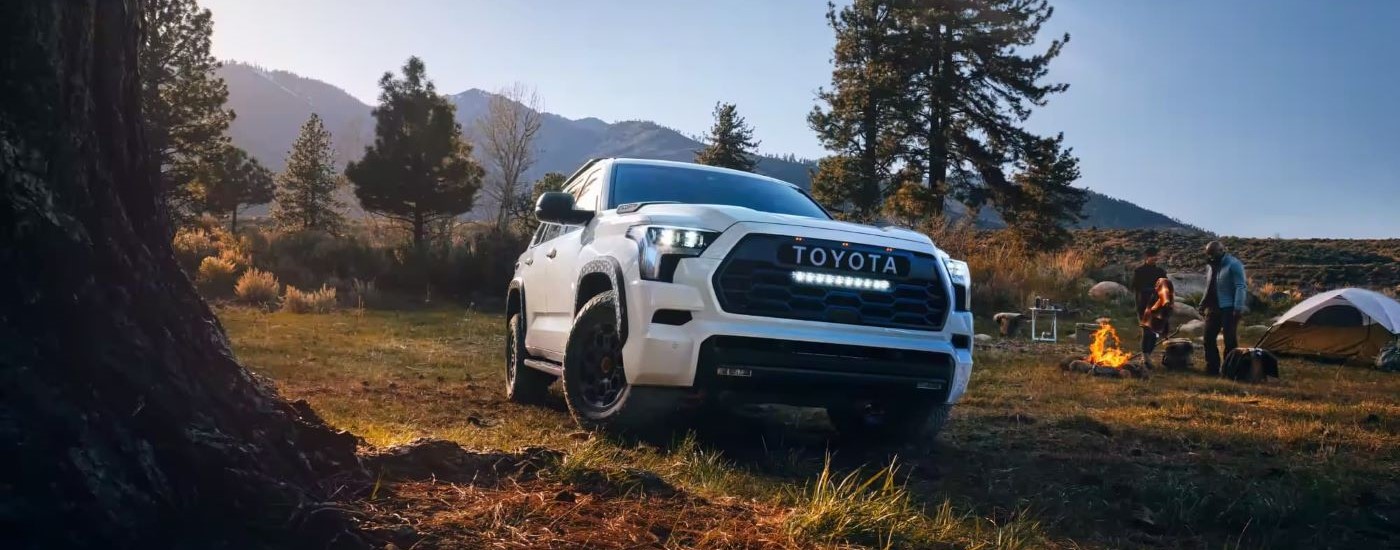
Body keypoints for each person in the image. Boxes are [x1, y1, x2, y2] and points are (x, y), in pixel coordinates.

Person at [1198, 241, 1248, 375]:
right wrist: (1203, 304)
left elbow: (1240, 286)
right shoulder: (1210, 266)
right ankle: (1212, 369)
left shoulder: (1234, 264)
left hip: (1229, 308)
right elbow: (1209, 287)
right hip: (1213, 308)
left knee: (1229, 341)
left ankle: (1230, 370)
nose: (1211, 257)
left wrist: (1238, 307)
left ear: (1221, 250)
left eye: (1213, 254)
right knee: (1208, 339)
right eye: (1209, 254)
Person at [1130, 247, 1168, 364]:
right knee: (1147, 332)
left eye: (1156, 255)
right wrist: (1152, 290)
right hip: (1143, 306)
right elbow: (1136, 287)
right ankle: (1145, 356)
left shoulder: (1160, 272)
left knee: (1154, 333)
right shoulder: (1139, 271)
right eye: (1152, 256)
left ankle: (1147, 355)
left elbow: (1165, 288)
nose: (1154, 258)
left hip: (1157, 306)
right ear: (1146, 257)